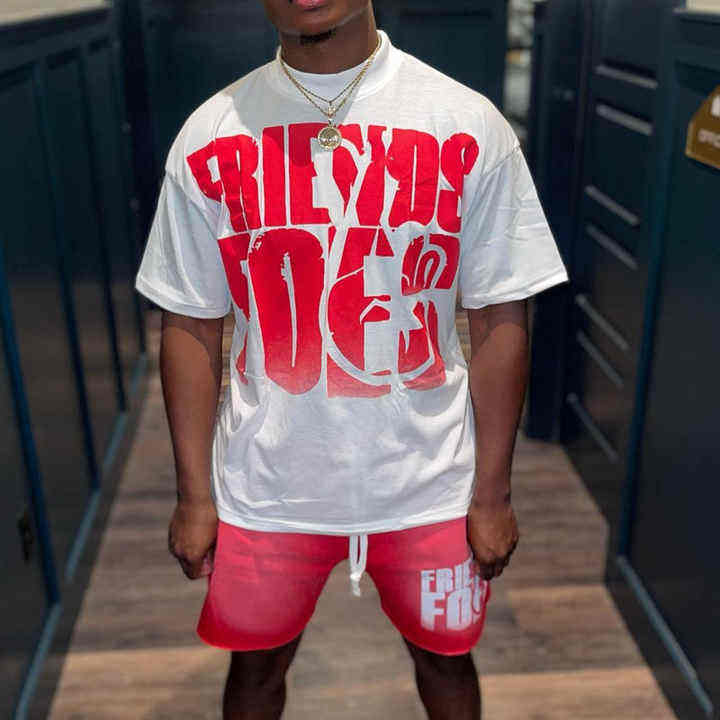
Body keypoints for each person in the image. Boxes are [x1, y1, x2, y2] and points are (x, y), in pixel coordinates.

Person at [133, 1, 569, 718]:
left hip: (428, 478)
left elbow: (499, 314)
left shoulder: (467, 123)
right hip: (268, 483)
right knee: (256, 668)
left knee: (446, 661)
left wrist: (492, 494)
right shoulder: (209, 135)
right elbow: (191, 322)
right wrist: (194, 496)